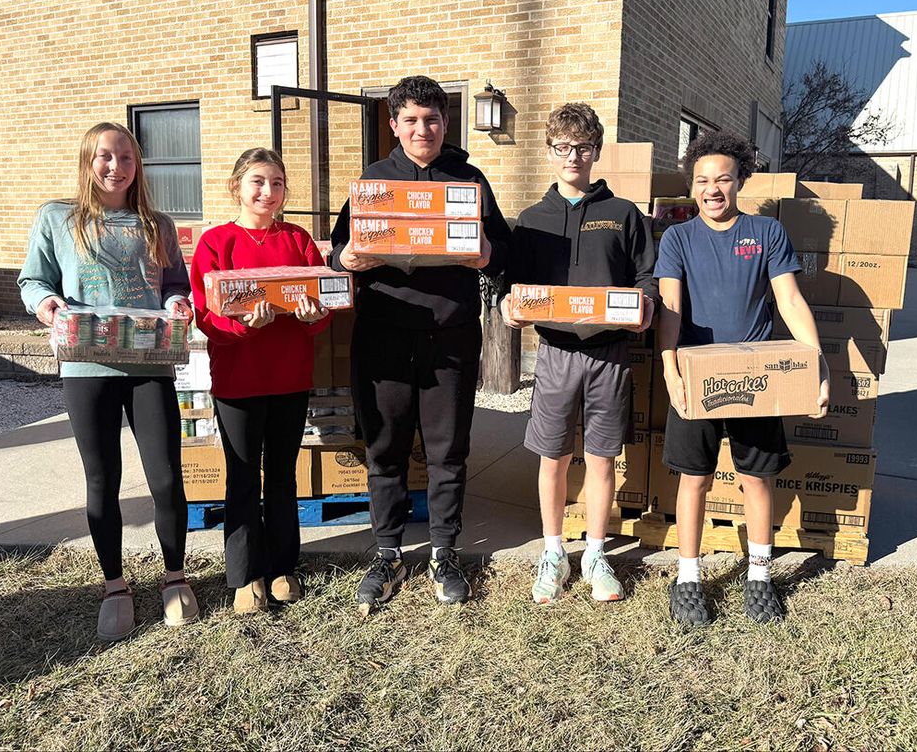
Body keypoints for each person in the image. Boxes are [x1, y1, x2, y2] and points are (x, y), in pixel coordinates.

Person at [330, 75, 510, 614]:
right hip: (384, 332)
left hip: (450, 335)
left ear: (445, 122)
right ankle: (387, 553)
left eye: (431, 119)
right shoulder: (373, 181)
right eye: (409, 120)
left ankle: (443, 551)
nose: (421, 129)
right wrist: (348, 261)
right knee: (384, 447)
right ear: (393, 126)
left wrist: (484, 253)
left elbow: (504, 253)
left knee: (447, 448)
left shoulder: (468, 180)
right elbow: (342, 246)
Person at [19, 122, 198, 641]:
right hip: (86, 365)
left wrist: (176, 304)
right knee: (103, 479)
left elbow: (173, 284)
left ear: (137, 163)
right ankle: (115, 585)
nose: (115, 166)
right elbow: (34, 279)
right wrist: (45, 304)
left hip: (149, 365)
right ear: (87, 161)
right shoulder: (58, 218)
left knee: (166, 477)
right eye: (104, 156)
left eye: (125, 156)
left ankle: (174, 576)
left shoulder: (157, 225)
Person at [655, 130, 829, 626]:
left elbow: (790, 302)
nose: (713, 189)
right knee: (695, 478)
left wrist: (816, 364)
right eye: (703, 180)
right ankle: (688, 578)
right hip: (696, 374)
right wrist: (670, 368)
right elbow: (670, 308)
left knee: (757, 478)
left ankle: (758, 576)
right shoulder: (677, 238)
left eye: (724, 179)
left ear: (740, 182)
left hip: (757, 378)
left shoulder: (767, 233)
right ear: (692, 187)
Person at [500, 103, 655, 604]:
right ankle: (553, 551)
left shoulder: (623, 214)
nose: (573, 157)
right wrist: (508, 305)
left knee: (603, 457)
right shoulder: (532, 219)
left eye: (583, 148)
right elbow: (512, 285)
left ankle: (595, 553)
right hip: (555, 353)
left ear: (597, 152)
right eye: (564, 148)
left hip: (610, 352)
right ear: (550, 151)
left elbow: (645, 276)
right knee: (553, 456)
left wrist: (646, 304)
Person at [190, 148, 331, 614]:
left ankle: (283, 566)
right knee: (243, 476)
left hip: (290, 376)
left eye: (276, 183)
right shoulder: (216, 244)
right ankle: (245, 574)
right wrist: (243, 327)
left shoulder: (298, 239)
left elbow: (320, 306)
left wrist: (314, 316)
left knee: (284, 474)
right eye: (257, 182)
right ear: (237, 187)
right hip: (238, 379)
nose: (267, 192)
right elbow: (206, 318)